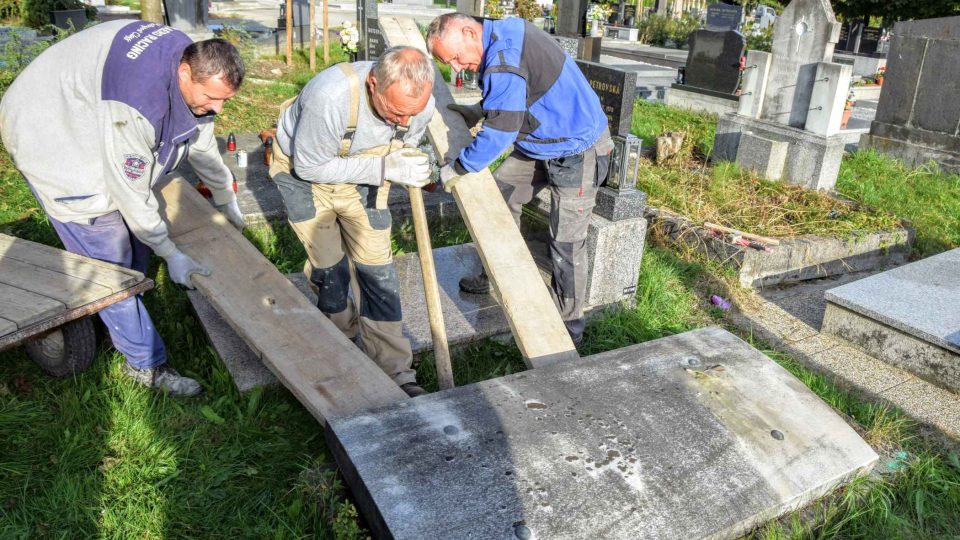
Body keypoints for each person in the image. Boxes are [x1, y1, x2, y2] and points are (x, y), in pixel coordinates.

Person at [0, 21, 246, 397]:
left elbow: (200, 140)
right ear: (184, 73)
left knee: (137, 238)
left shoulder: (196, 64)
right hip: (50, 130)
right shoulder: (136, 100)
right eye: (212, 98)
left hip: (90, 108)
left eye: (224, 100)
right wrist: (172, 253)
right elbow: (129, 190)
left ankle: (127, 315)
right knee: (110, 261)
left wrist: (225, 197)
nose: (217, 107)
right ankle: (146, 365)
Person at [426, 13, 613, 347]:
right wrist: (482, 109)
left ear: (470, 31)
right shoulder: (499, 33)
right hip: (541, 141)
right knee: (498, 198)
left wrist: (456, 168)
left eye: (455, 57)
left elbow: (499, 134)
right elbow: (517, 90)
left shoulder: (501, 57)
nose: (456, 67)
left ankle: (570, 326)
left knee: (566, 241)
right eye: (448, 62)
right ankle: (495, 272)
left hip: (578, 148)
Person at [270, 46, 436, 397]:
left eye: (413, 113)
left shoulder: (419, 106)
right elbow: (310, 166)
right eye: (395, 112)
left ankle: (396, 372)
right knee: (330, 271)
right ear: (373, 84)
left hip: (365, 180)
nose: (404, 122)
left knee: (378, 273)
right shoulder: (330, 97)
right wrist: (384, 168)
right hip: (305, 177)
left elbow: (407, 143)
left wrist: (418, 164)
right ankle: (340, 354)